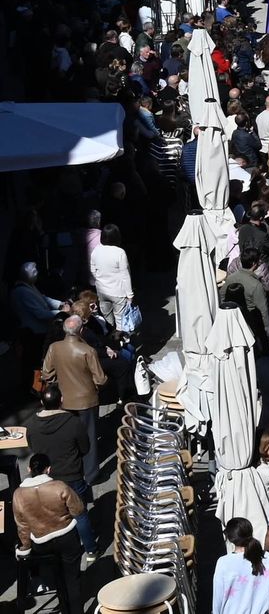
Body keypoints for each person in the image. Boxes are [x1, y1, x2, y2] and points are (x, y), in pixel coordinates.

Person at [27, 385, 95, 564]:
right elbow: (85, 448)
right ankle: (90, 550)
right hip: (72, 475)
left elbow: (33, 447)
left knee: (52, 515)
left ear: (42, 402)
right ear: (62, 400)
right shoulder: (73, 422)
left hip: (47, 478)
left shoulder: (32, 424)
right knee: (80, 513)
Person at [15, 453, 88, 612]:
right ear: (48, 469)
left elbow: (22, 526)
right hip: (67, 537)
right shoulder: (59, 486)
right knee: (72, 579)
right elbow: (78, 509)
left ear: (28, 469)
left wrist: (25, 548)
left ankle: (62, 604)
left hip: (41, 542)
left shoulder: (18, 495)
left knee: (55, 573)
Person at [42, 314, 107, 483]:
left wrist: (59, 383)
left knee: (68, 436)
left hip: (64, 401)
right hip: (87, 400)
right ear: (81, 330)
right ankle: (91, 475)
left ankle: (71, 470)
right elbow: (100, 379)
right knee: (89, 438)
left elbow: (46, 374)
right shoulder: (88, 351)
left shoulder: (54, 348)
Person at [88, 223, 135, 331]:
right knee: (121, 322)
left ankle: (109, 343)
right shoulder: (120, 252)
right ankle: (122, 344)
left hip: (102, 290)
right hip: (118, 292)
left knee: (106, 320)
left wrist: (100, 280)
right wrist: (130, 294)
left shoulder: (96, 250)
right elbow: (125, 275)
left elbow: (92, 269)